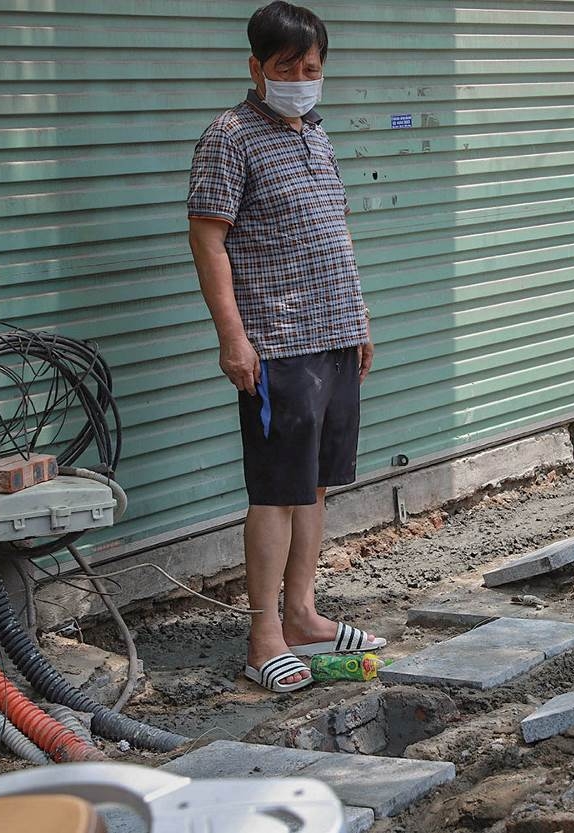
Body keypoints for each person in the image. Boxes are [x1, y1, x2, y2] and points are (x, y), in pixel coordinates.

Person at [187, 1, 382, 693]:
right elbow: (208, 238)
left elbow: (336, 231)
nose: (301, 78)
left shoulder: (316, 135)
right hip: (276, 340)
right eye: (286, 67)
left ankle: (302, 612)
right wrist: (233, 337)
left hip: (333, 336)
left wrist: (358, 316)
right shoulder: (230, 137)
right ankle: (262, 633)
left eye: (311, 68)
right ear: (255, 68)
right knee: (275, 491)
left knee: (316, 482)